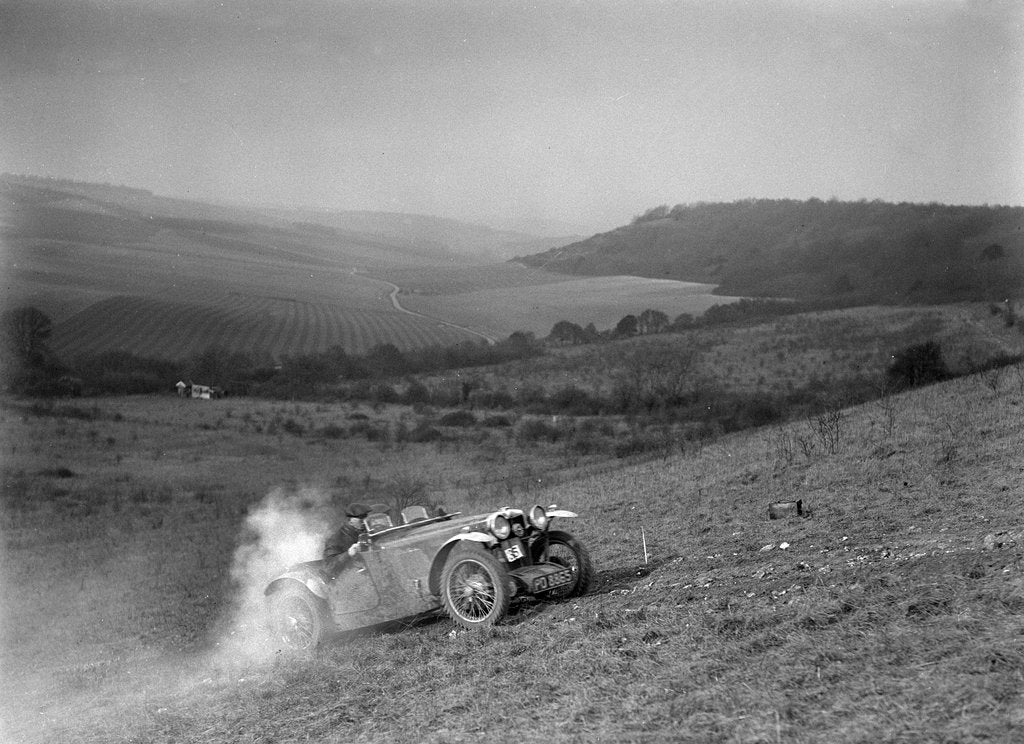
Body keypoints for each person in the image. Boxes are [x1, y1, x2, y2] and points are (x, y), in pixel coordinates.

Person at [322, 502, 370, 577]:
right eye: (361, 518)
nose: (365, 521)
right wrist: (348, 554)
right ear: (350, 521)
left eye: (366, 517)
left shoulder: (368, 532)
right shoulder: (336, 539)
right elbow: (328, 568)